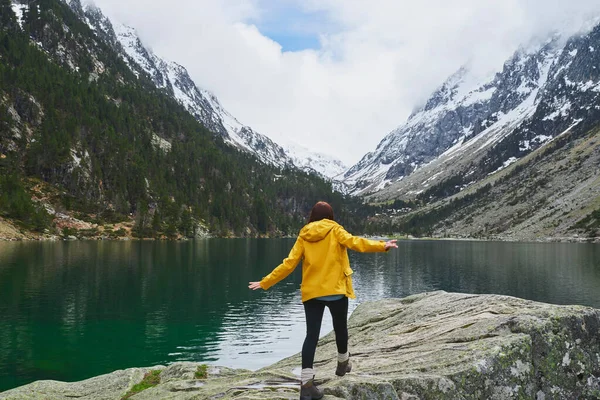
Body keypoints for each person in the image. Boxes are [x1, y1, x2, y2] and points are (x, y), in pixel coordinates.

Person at [249, 201, 398, 400]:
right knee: (340, 328)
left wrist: (265, 282)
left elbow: (289, 264)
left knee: (311, 337)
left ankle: (306, 386)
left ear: (312, 216)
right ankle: (343, 362)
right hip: (336, 291)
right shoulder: (335, 230)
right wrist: (382, 246)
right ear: (330, 216)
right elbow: (356, 243)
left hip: (312, 294)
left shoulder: (304, 235)